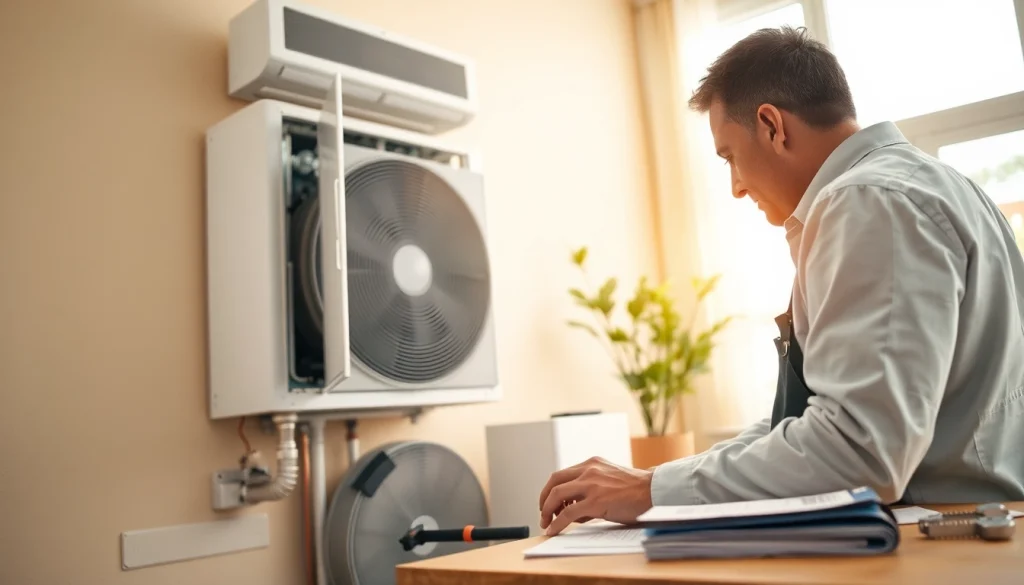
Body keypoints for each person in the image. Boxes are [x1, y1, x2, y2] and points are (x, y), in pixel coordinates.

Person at [538, 25, 1024, 536]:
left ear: (772, 125)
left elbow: (859, 451)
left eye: (729, 156)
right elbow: (813, 420)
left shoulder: (868, 202)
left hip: (948, 543)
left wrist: (651, 492)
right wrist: (655, 481)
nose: (736, 187)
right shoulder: (928, 185)